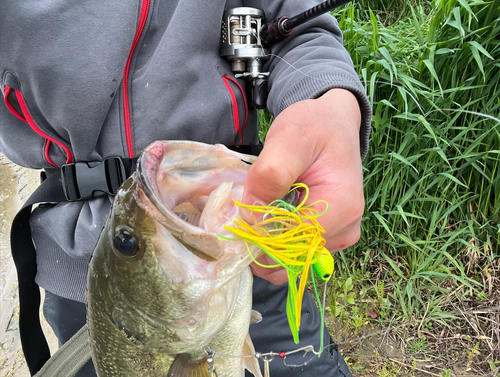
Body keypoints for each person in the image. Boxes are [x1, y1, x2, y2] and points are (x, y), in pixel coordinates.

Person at [0, 1, 371, 376]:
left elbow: (300, 32)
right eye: (130, 241)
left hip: (252, 260)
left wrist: (329, 103)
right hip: (82, 284)